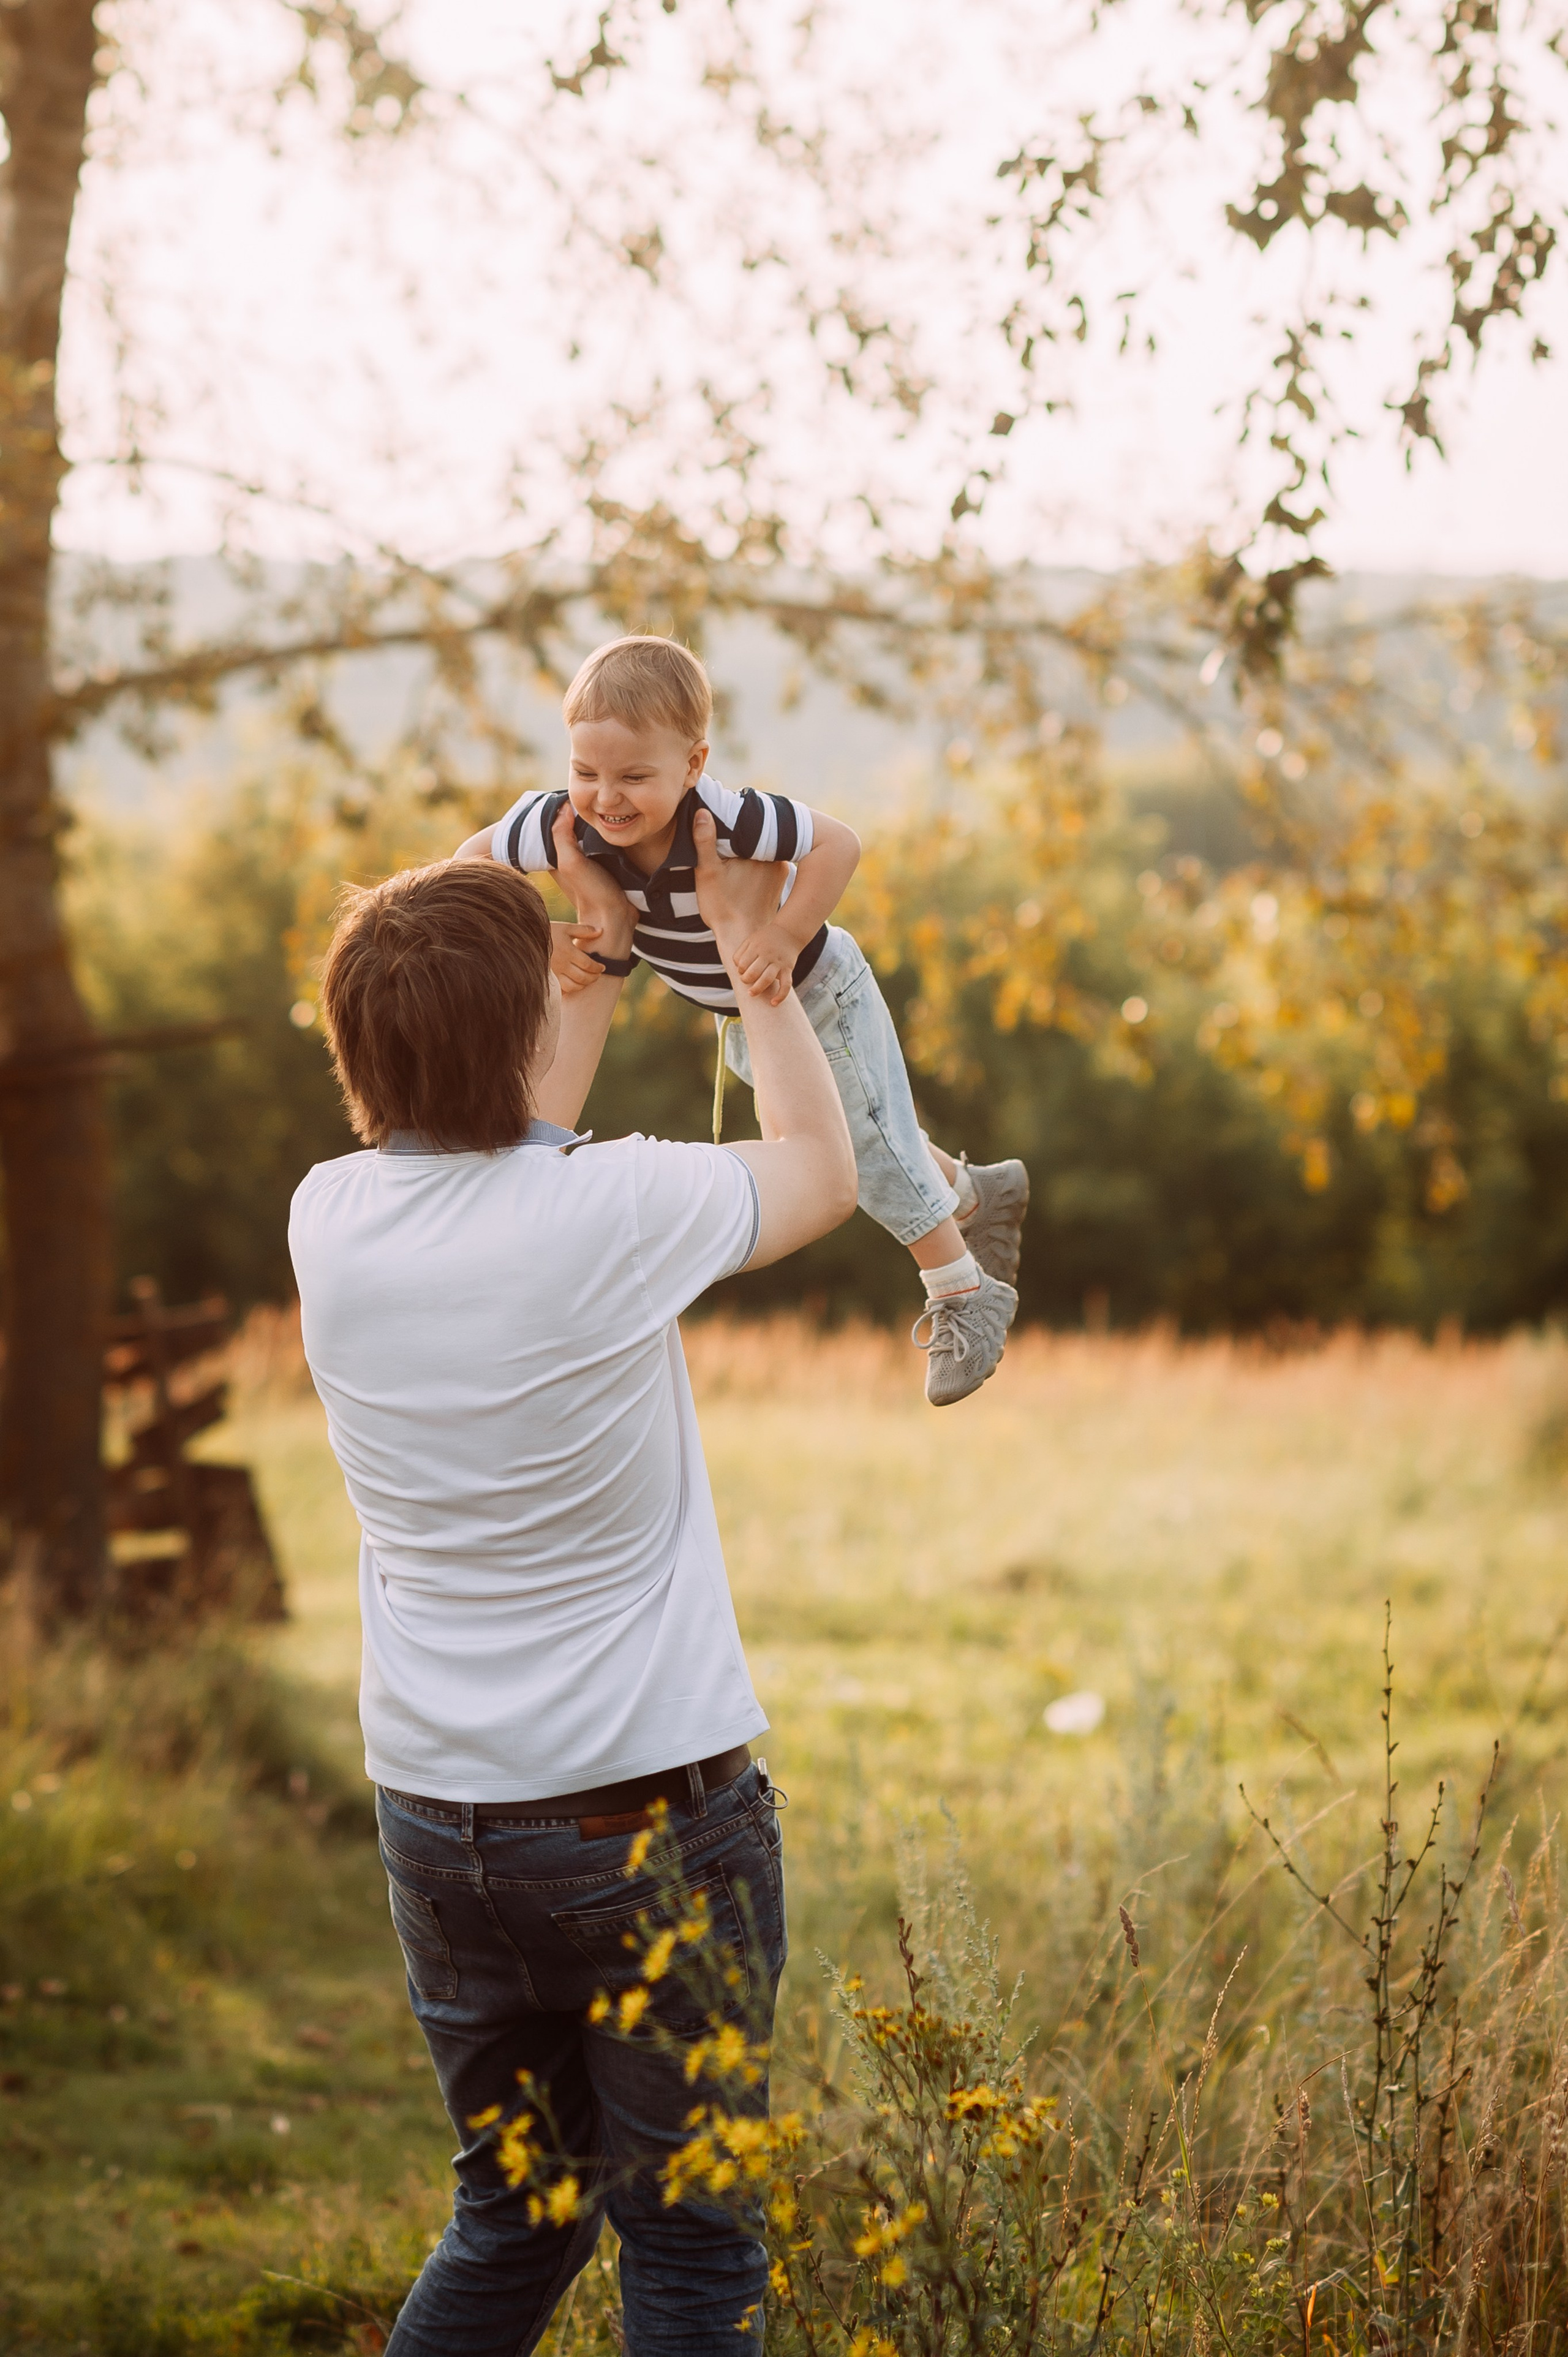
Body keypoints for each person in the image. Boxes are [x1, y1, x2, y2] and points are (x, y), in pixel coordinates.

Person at [288, 814, 858, 2355]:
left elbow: (499, 1136)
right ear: (519, 1030)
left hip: (439, 1826)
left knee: (512, 2216)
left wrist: (584, 962)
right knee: (689, 2243)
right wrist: (753, 959)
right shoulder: (613, 1208)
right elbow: (822, 1173)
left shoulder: (326, 1217)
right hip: (641, 1824)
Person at [454, 634, 1028, 1406]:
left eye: (634, 777)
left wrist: (784, 935)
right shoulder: (561, 821)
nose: (606, 797)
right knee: (863, 1127)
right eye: (585, 771)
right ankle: (975, 1193)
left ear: (692, 764)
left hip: (816, 988)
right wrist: (533, 932)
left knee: (862, 1141)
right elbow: (464, 867)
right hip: (740, 1011)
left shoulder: (727, 820)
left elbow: (838, 844)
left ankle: (962, 1289)